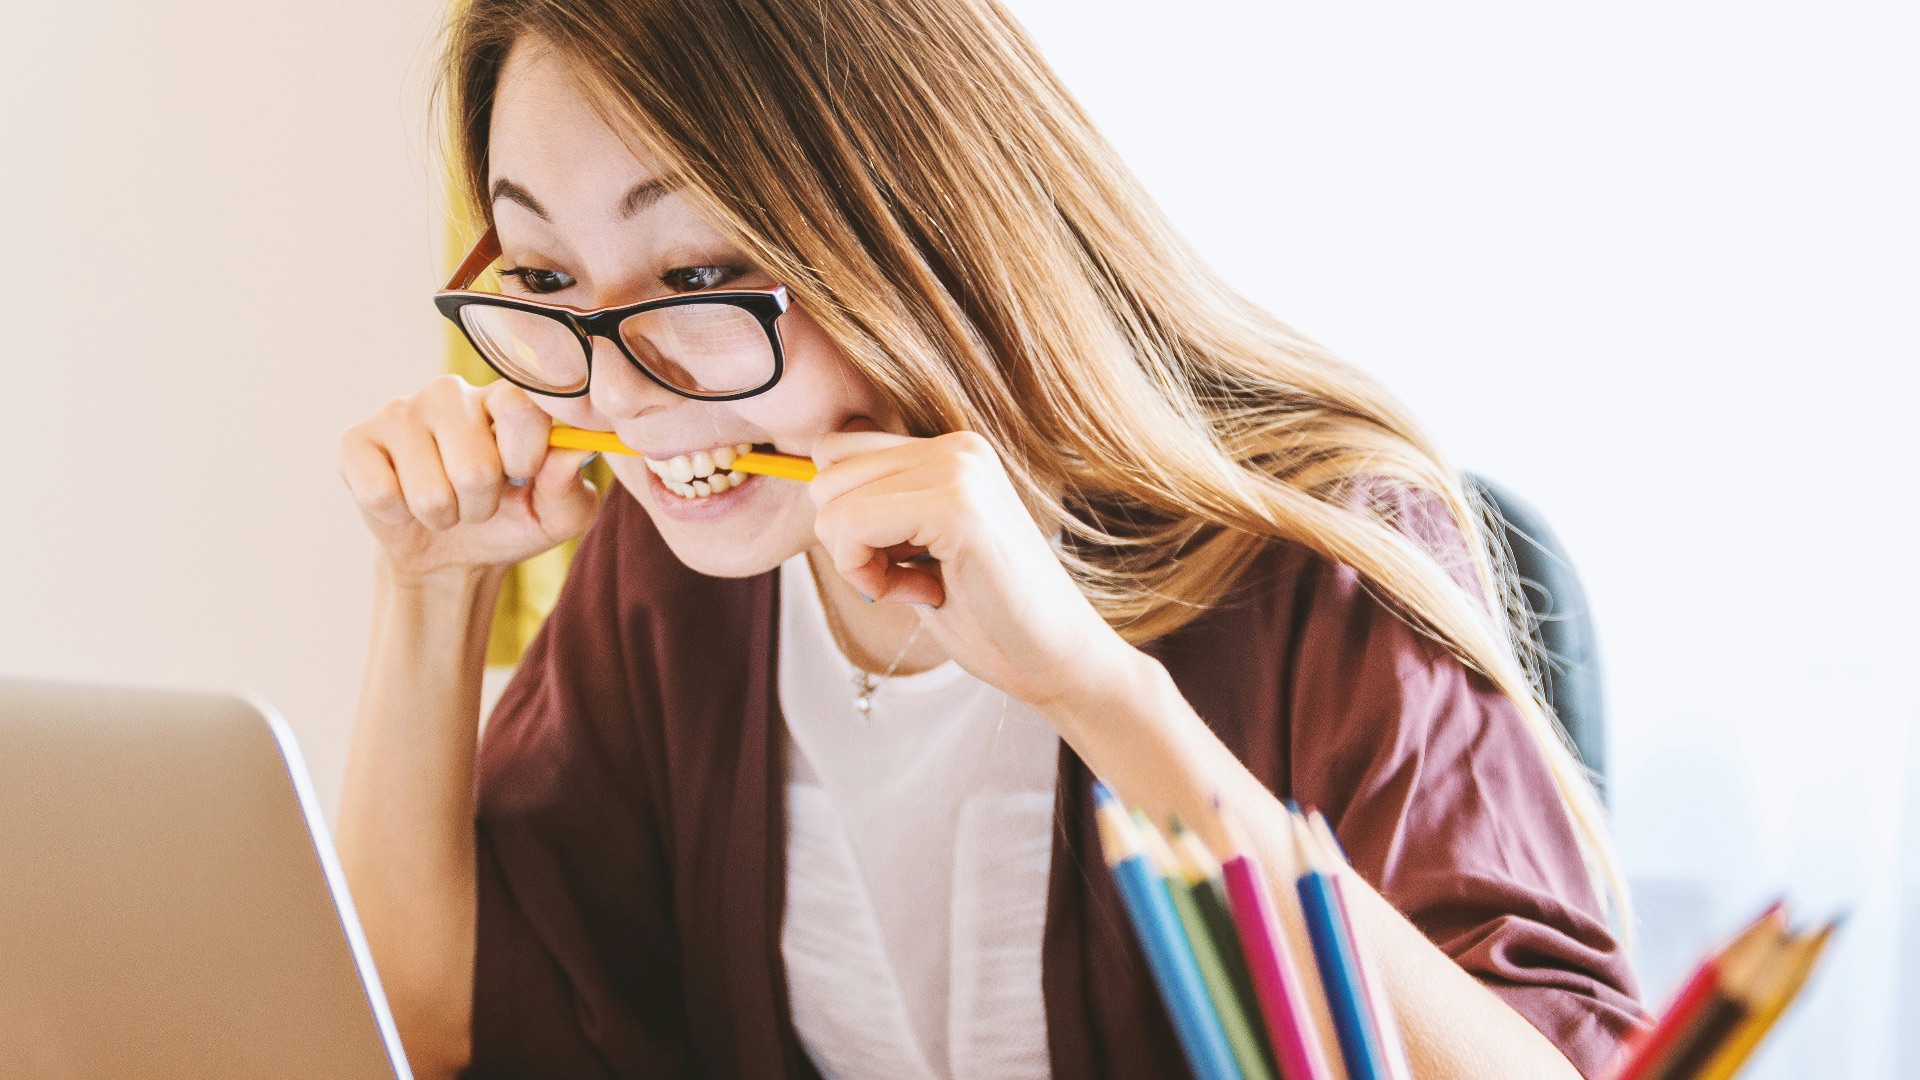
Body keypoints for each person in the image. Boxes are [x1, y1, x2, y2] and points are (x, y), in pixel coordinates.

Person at [335, 1, 1646, 1077]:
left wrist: (1093, 687)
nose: (618, 393)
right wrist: (427, 590)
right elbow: (435, 1022)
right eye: (548, 280)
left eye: (697, 279)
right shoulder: (684, 566)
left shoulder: (1319, 558)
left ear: (913, 227)